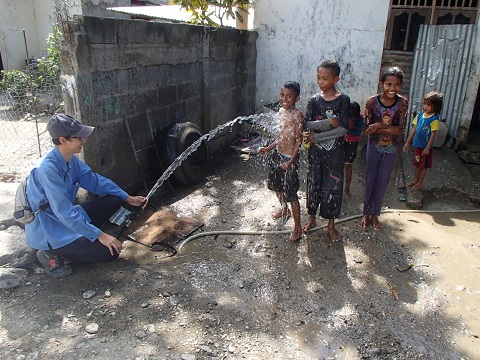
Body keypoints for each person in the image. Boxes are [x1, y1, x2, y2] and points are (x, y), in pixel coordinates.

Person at [25, 113, 147, 277]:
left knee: (115, 199)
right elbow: (64, 212)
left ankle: (84, 238)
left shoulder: (70, 160)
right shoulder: (47, 170)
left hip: (66, 219)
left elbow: (95, 181)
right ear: (63, 140)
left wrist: (127, 196)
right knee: (110, 252)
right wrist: (100, 235)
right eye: (79, 138)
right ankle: (51, 254)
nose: (84, 140)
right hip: (52, 231)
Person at [302, 60, 350, 242]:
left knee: (333, 187)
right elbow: (306, 123)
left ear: (336, 79)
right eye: (318, 78)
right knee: (313, 185)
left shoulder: (343, 100)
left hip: (335, 154)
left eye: (325, 78)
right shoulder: (314, 100)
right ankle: (311, 218)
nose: (320, 82)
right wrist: (328, 123)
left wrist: (318, 137)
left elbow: (343, 128)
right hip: (316, 154)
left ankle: (331, 225)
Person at [360, 66, 408, 230]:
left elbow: (400, 129)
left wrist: (378, 126)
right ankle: (366, 213)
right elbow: (367, 128)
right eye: (388, 84)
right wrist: (386, 127)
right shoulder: (372, 102)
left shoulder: (402, 103)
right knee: (370, 180)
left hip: (391, 149)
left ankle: (375, 215)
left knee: (382, 182)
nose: (392, 88)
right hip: (373, 146)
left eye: (396, 85)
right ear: (381, 83)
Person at [259, 81, 304, 243]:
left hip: (289, 159)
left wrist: (290, 162)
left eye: (289, 96)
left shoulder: (297, 116)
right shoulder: (280, 112)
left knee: (291, 194)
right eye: (282, 95)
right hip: (278, 155)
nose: (284, 99)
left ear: (297, 98)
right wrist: (269, 148)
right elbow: (280, 137)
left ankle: (297, 229)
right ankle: (285, 210)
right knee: (276, 186)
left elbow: (299, 141)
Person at [403, 91, 444, 190]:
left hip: (426, 148)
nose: (425, 106)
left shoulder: (434, 119)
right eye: (424, 104)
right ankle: (415, 181)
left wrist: (427, 148)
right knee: (417, 164)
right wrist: (408, 142)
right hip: (418, 145)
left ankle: (420, 183)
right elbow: (414, 129)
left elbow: (433, 135)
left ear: (436, 107)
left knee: (424, 166)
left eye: (429, 105)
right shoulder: (420, 115)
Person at [343, 101, 365, 200]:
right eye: (349, 118)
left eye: (353, 119)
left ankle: (347, 189)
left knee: (348, 165)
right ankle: (336, 187)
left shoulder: (361, 119)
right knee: (336, 164)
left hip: (352, 142)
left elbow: (357, 132)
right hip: (341, 140)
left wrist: (344, 130)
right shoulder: (343, 114)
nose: (350, 121)